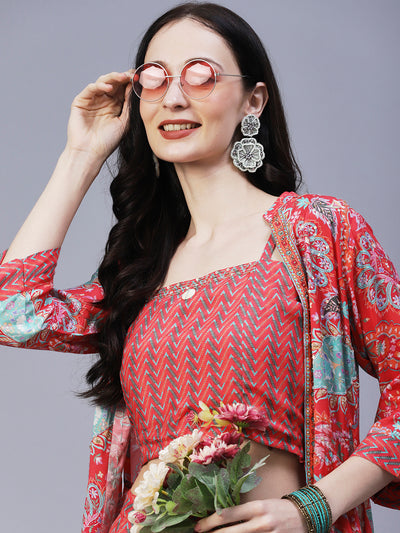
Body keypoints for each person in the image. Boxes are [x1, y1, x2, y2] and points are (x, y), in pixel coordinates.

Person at [0, 2, 399, 532]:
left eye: (200, 74)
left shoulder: (317, 234)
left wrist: (313, 506)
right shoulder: (140, 272)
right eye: (155, 77)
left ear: (253, 100)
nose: (173, 97)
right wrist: (81, 154)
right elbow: (15, 312)